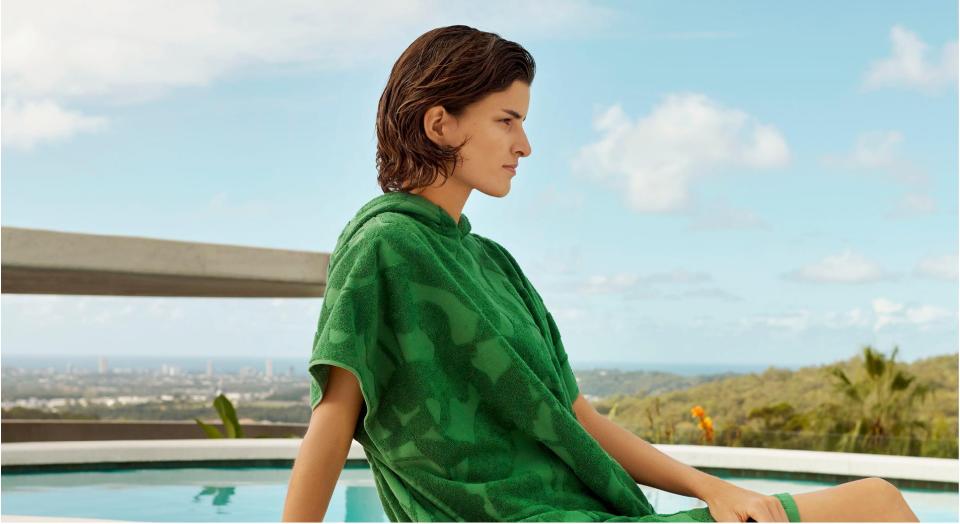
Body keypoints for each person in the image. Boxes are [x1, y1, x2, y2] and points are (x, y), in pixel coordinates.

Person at [282, 25, 920, 523]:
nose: (524, 145)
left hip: (574, 512)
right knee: (878, 504)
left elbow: (577, 418)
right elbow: (334, 418)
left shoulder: (493, 264)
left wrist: (713, 487)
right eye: (507, 120)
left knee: (875, 503)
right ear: (440, 122)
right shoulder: (384, 247)